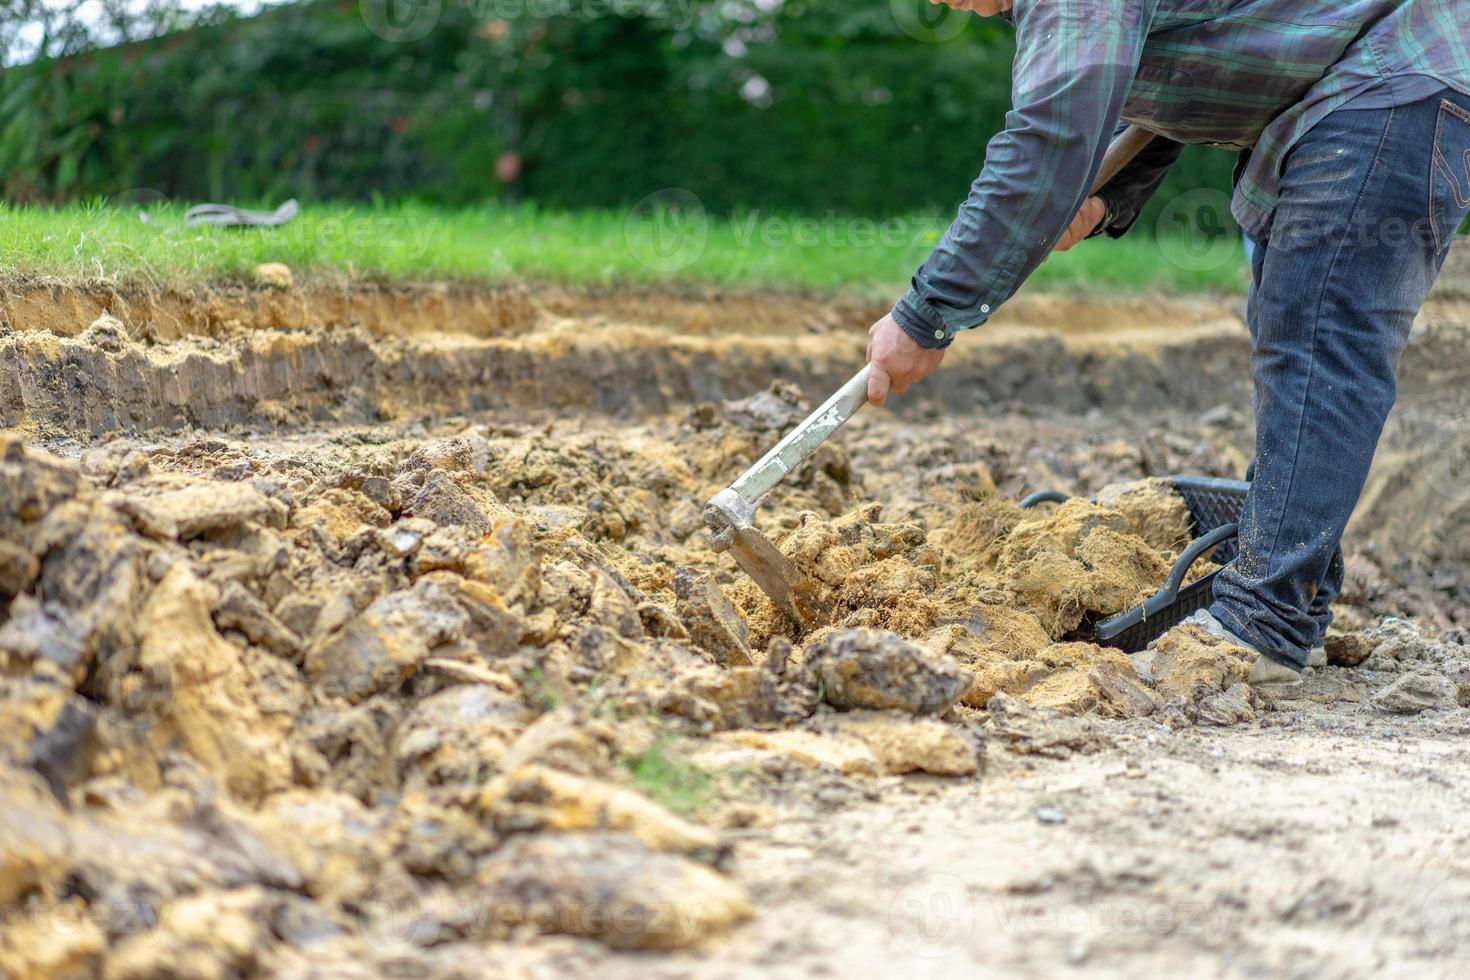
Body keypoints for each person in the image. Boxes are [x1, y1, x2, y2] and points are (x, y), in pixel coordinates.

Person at [865, 0, 1470, 690]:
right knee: (1301, 329)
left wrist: (927, 314)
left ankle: (1262, 624)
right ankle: (1286, 606)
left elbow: (1053, 136)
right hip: (1366, 81)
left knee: (1319, 332)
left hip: (1397, 72)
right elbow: (1186, 72)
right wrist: (1106, 198)